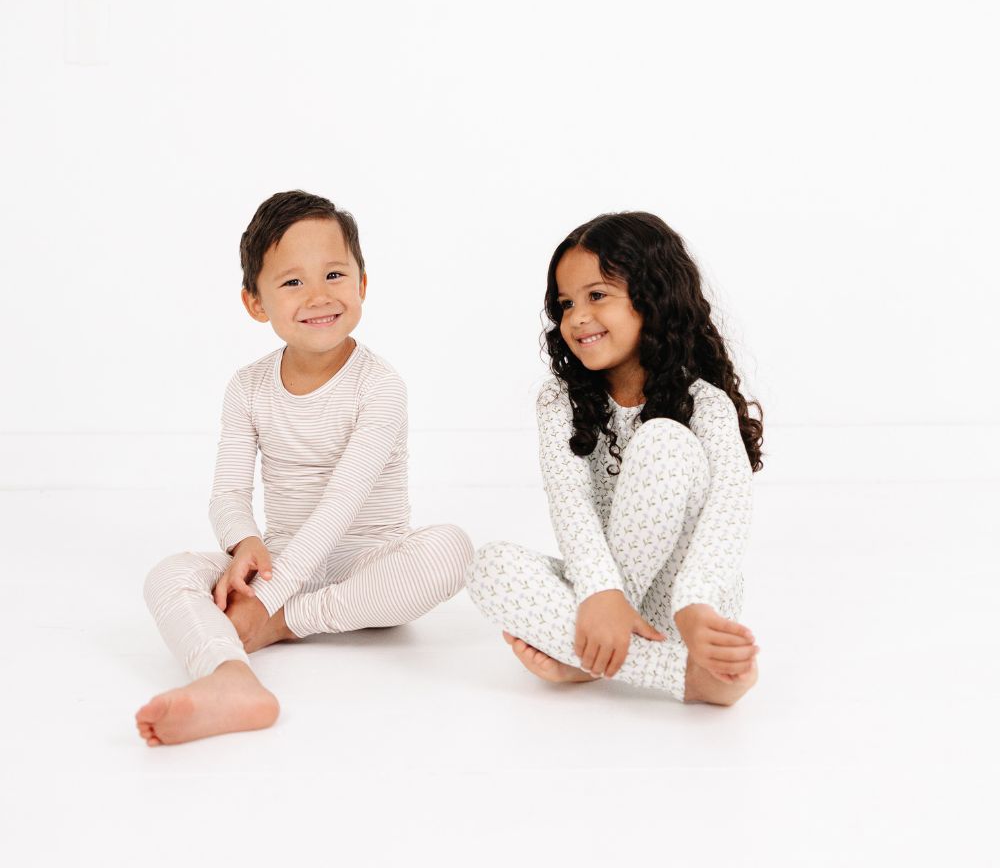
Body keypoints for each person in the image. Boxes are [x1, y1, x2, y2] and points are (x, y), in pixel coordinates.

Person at [136, 190, 473, 745]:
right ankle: (230, 679)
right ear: (255, 302)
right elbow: (226, 495)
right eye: (292, 282)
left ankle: (284, 628)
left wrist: (270, 608)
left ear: (363, 284)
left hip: (371, 571)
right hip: (281, 564)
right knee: (168, 575)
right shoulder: (246, 388)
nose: (318, 295)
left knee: (452, 550)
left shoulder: (380, 386)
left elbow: (341, 504)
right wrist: (243, 542)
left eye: (335, 274)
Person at [465, 212, 764, 705]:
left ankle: (588, 654)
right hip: (598, 596)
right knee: (488, 566)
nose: (577, 316)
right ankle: (667, 672)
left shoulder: (703, 402)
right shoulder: (558, 402)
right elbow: (570, 501)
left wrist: (695, 600)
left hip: (688, 609)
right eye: (565, 304)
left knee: (663, 440)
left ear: (653, 299)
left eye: (597, 295)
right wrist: (601, 592)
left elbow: (731, 504)